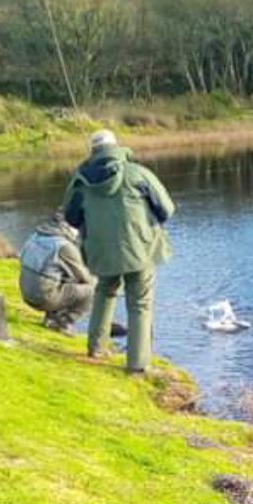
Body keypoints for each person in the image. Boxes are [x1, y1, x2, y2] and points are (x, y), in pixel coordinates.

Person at [62, 129, 175, 376]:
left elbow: (71, 217)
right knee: (140, 304)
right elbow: (166, 209)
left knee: (105, 291)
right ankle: (138, 365)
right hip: (140, 249)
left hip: (101, 251)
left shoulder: (80, 181)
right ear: (116, 147)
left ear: (93, 151)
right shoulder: (138, 173)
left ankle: (96, 348)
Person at [18, 211, 94, 335]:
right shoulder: (64, 246)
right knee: (92, 290)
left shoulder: (35, 236)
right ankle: (64, 322)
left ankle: (51, 319)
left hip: (26, 293)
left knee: (60, 277)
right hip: (43, 298)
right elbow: (84, 277)